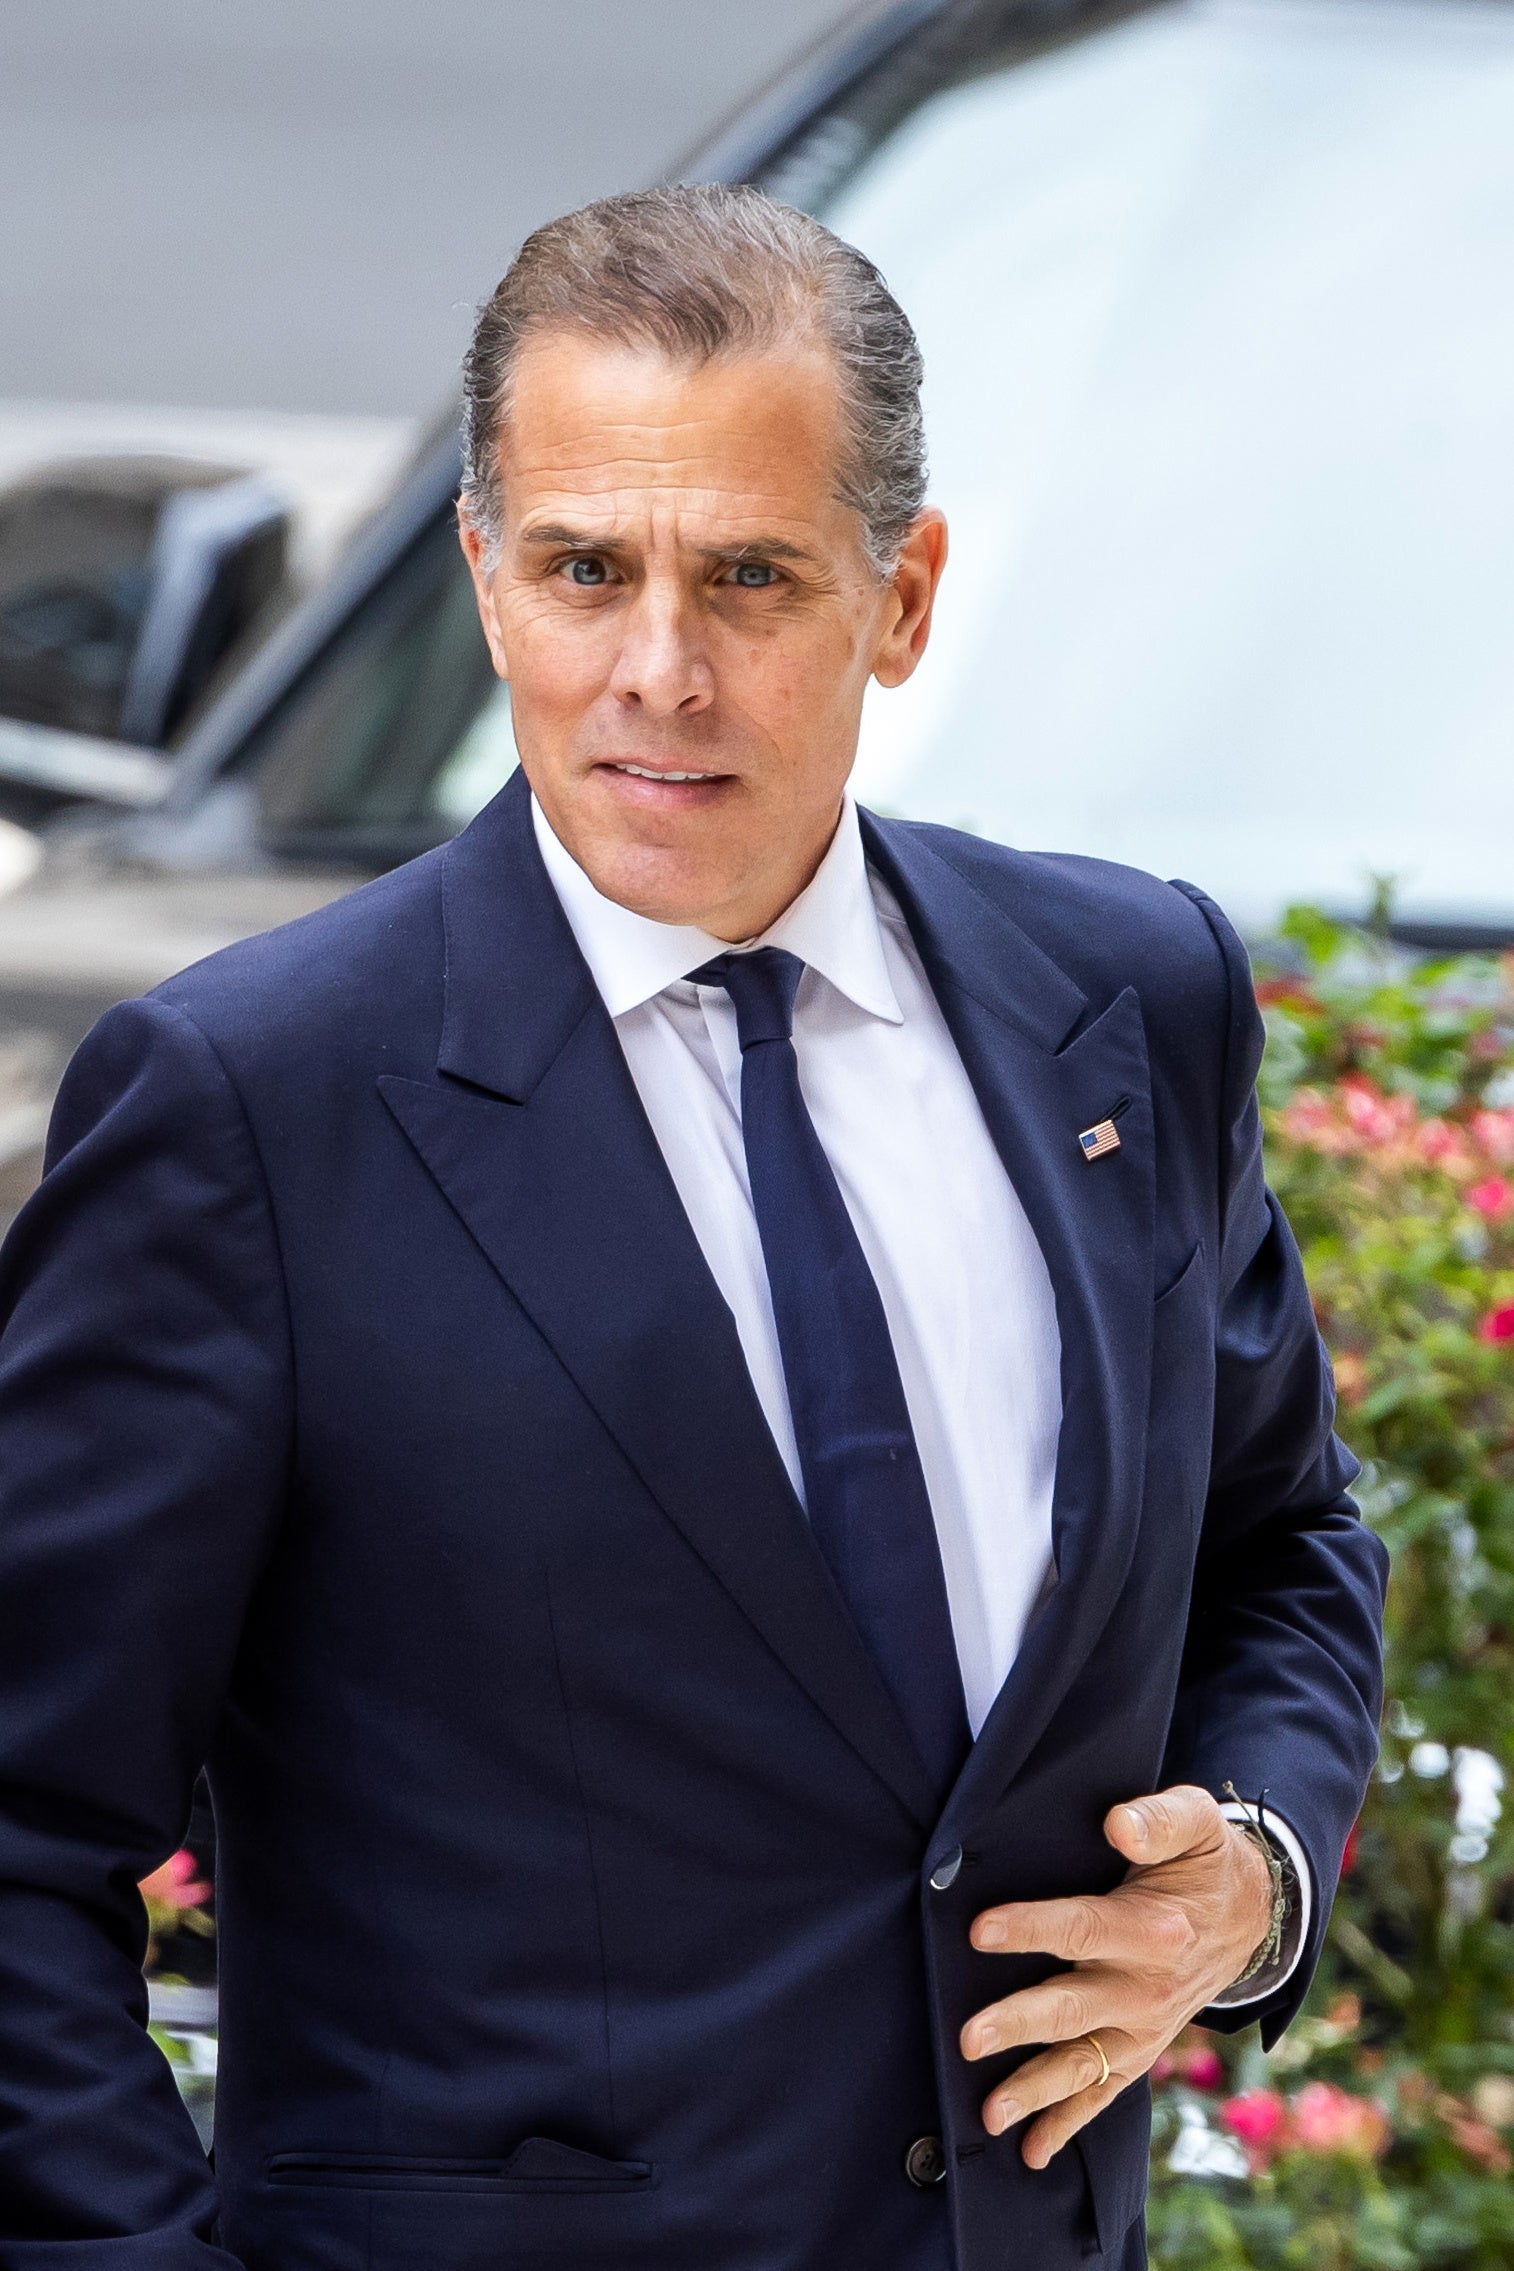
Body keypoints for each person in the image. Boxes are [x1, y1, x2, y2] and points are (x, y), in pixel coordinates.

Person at [0, 185, 1385, 2271]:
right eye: (582, 567)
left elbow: (1280, 1540)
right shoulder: (243, 1107)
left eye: (746, 573)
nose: (659, 669)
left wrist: (1254, 1871)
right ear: (484, 578)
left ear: (901, 595)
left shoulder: (1131, 997)